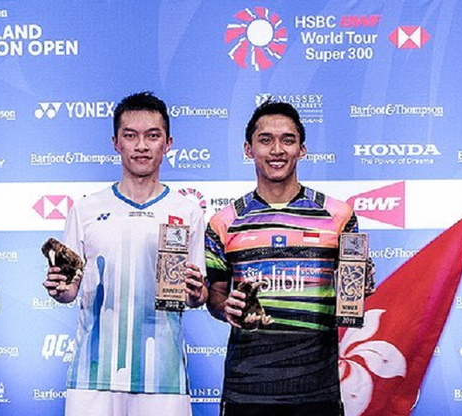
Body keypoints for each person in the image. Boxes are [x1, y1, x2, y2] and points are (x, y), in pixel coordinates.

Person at [205, 101, 375, 416]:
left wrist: (360, 284)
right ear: (248, 148)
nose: (277, 150)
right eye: (265, 139)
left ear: (302, 149)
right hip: (247, 390)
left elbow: (354, 294)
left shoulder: (338, 215)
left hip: (316, 389)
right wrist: (224, 306)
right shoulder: (224, 221)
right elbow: (215, 297)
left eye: (288, 140)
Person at [43, 92, 207, 416]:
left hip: (164, 376)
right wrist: (60, 289)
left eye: (152, 136)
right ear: (116, 142)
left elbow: (195, 295)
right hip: (93, 375)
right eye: (131, 136)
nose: (141, 146)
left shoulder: (187, 212)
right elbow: (69, 291)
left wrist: (197, 292)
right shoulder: (86, 209)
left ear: (168, 143)